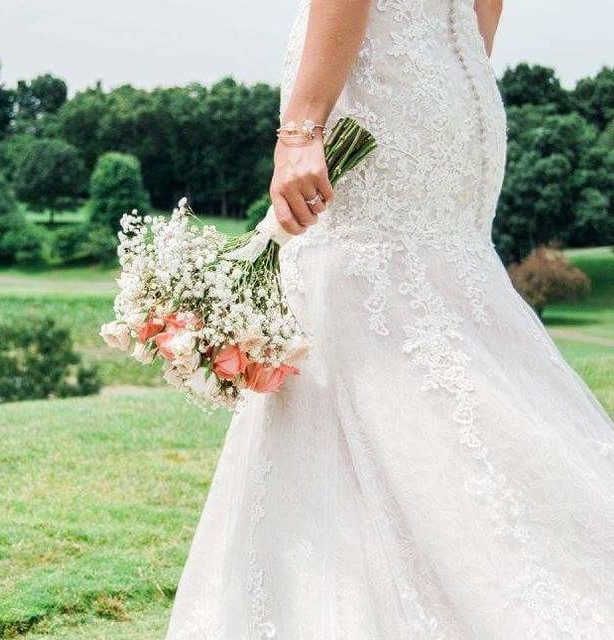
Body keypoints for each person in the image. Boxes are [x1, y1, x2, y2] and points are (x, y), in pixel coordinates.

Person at [164, 1, 614, 638]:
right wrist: (447, 66)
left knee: (360, 301)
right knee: (440, 316)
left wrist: (301, 129)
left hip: (380, 92)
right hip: (450, 94)